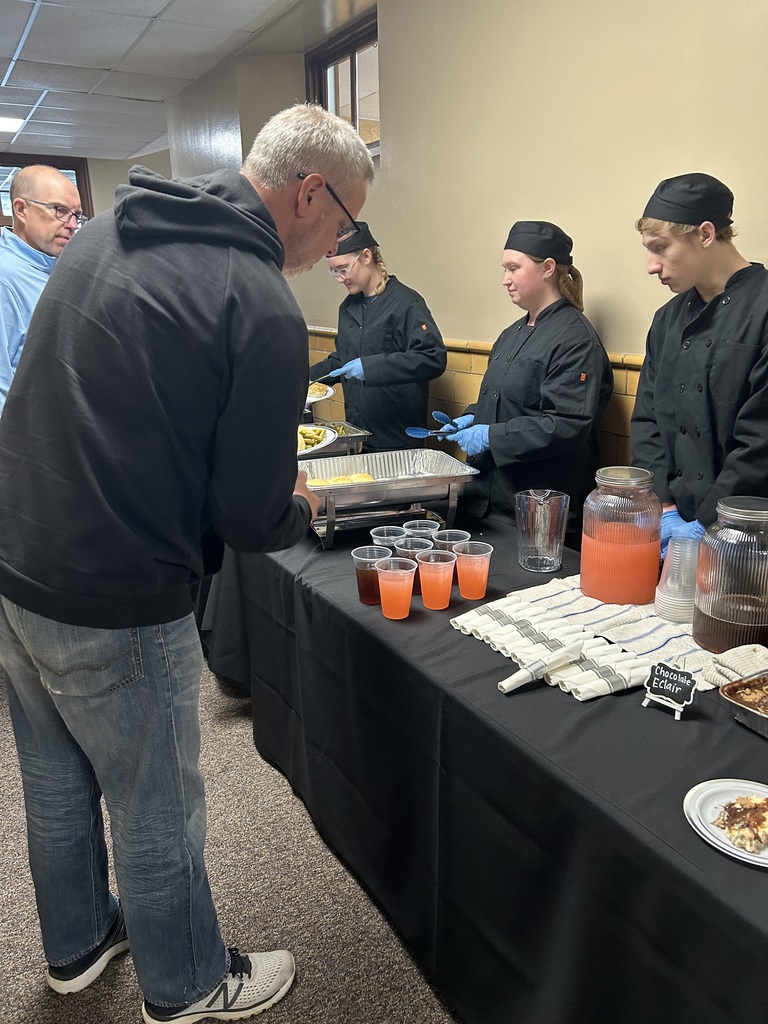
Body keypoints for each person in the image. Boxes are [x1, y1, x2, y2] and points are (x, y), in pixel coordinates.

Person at [0, 103, 373, 1023]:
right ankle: (187, 983)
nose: (340, 240)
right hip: (115, 587)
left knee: (53, 775)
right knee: (155, 795)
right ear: (310, 191)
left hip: (16, 555)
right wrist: (300, 509)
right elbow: (250, 516)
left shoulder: (107, 233)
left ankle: (80, 946)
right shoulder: (261, 303)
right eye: (345, 219)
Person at [439, 221, 613, 534]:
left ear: (548, 268)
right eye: (504, 269)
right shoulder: (511, 334)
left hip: (535, 510)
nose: (505, 280)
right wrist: (468, 418)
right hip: (481, 501)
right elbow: (502, 404)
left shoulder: (575, 339)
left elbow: (565, 425)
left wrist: (490, 436)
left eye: (514, 268)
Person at [630, 172, 768, 555]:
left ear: (705, 234)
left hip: (745, 531)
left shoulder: (763, 309)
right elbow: (647, 420)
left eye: (661, 248)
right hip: (671, 517)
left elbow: (760, 441)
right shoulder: (666, 319)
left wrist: (709, 523)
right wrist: (663, 503)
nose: (651, 266)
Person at [310, 222, 446, 451]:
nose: (340, 278)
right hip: (357, 434)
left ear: (365, 256)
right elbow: (342, 361)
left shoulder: (406, 303)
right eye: (334, 272)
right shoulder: (348, 307)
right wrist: (306, 379)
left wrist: (371, 367)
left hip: (397, 440)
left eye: (343, 269)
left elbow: (432, 358)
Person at [0, 164, 83, 414]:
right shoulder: (5, 277)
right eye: (59, 210)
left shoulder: (56, 266)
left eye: (76, 215)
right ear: (21, 209)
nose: (71, 224)